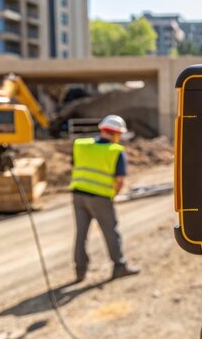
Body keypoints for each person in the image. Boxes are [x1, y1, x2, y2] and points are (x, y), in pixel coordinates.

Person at [69, 114, 139, 282]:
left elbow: (75, 165)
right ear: (116, 134)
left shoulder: (80, 145)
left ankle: (80, 270)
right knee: (111, 232)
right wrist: (112, 195)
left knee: (81, 234)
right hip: (100, 198)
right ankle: (119, 266)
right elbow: (119, 180)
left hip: (78, 195)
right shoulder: (116, 151)